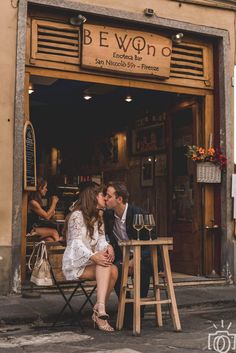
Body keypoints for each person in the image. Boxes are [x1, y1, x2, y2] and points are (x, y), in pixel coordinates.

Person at [62, 182, 118, 332]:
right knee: (105, 265)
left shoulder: (98, 216)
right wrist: (93, 256)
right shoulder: (76, 216)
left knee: (113, 270)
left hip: (90, 261)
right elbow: (75, 243)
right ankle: (99, 312)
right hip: (75, 264)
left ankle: (100, 308)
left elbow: (100, 239)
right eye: (102, 195)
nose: (106, 198)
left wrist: (107, 246)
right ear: (93, 197)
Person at [104, 181, 153, 328]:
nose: (106, 198)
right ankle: (127, 309)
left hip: (143, 257)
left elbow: (151, 242)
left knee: (143, 269)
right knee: (115, 269)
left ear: (119, 199)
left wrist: (135, 259)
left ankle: (139, 313)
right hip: (122, 257)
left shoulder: (139, 214)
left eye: (109, 196)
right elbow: (106, 235)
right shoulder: (108, 215)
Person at [27, 177, 63, 242]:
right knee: (54, 232)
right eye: (45, 187)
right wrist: (54, 202)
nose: (46, 190)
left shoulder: (35, 201)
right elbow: (47, 217)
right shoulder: (33, 202)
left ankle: (55, 249)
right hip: (30, 230)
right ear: (40, 188)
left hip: (34, 228)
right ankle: (59, 249)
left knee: (50, 240)